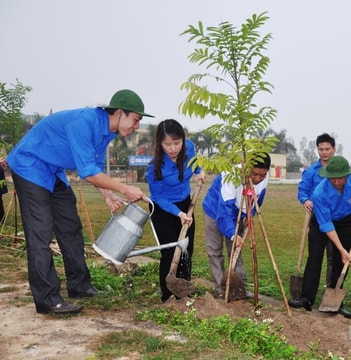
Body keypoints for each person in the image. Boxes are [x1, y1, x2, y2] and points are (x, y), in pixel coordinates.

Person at [6, 89, 153, 315]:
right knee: (40, 234)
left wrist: (106, 193)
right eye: (135, 120)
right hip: (30, 166)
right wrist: (124, 188)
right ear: (120, 112)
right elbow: (87, 171)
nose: (135, 126)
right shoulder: (84, 123)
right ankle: (47, 299)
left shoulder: (108, 132)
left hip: (53, 171)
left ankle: (80, 285)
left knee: (70, 227)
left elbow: (92, 168)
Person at [288, 155, 351, 319]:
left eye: (341, 178)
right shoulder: (319, 193)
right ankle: (306, 298)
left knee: (342, 261)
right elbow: (326, 226)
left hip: (344, 220)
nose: (338, 182)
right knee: (315, 257)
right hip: (322, 222)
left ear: (347, 175)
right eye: (334, 179)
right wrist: (341, 249)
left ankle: (335, 301)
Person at [146, 119, 205, 303]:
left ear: (183, 140)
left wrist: (199, 171)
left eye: (176, 143)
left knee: (187, 249)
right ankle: (168, 295)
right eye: (167, 144)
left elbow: (195, 164)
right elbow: (158, 197)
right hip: (163, 209)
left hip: (185, 203)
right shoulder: (154, 167)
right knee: (171, 251)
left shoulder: (189, 147)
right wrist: (178, 214)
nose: (173, 148)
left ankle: (184, 289)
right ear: (160, 144)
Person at [202, 154, 271, 298]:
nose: (258, 179)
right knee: (215, 250)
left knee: (236, 250)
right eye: (254, 174)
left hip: (238, 212)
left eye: (262, 175)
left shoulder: (265, 176)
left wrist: (249, 214)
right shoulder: (231, 176)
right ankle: (221, 288)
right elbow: (224, 212)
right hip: (215, 210)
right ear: (246, 169)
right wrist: (233, 234)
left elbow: (259, 196)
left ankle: (240, 287)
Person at [297, 133, 336, 288]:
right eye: (321, 149)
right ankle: (309, 290)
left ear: (334, 149)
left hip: (336, 217)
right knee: (315, 255)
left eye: (327, 149)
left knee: (335, 256)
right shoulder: (311, 171)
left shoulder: (340, 169)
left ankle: (332, 288)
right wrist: (305, 200)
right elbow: (302, 190)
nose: (324, 152)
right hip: (317, 217)